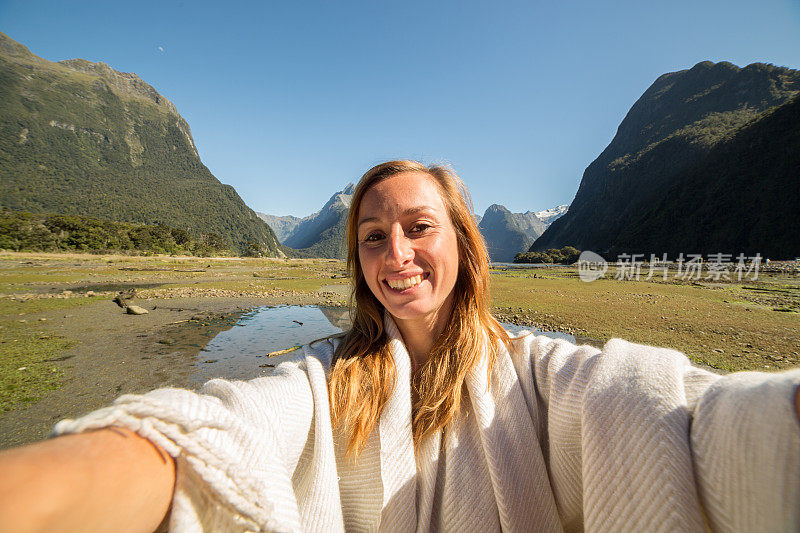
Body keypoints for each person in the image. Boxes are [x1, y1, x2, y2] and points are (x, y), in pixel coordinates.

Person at [0, 160, 799, 532]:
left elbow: (664, 415)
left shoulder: (540, 372)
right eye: (374, 236)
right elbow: (225, 438)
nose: (396, 254)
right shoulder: (324, 375)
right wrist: (73, 478)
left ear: (465, 242)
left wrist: (776, 421)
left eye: (419, 228)